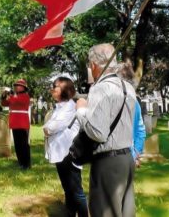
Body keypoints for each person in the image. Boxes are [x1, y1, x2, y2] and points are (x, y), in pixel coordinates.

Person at [76, 44, 137, 217]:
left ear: (94, 65)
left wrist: (81, 110)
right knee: (125, 212)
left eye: (89, 64)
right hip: (127, 158)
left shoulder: (100, 88)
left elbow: (98, 133)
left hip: (107, 161)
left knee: (105, 212)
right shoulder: (128, 88)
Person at [43, 77, 88, 217]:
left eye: (55, 86)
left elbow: (51, 128)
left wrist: (47, 128)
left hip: (69, 154)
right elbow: (48, 126)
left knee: (76, 191)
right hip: (59, 153)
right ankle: (70, 212)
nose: (52, 89)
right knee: (67, 189)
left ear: (65, 90)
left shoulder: (69, 107)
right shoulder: (59, 108)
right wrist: (47, 128)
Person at [1, 79, 31, 170]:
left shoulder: (25, 96)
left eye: (18, 85)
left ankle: (26, 164)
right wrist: (3, 96)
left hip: (22, 123)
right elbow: (4, 103)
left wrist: (10, 92)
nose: (16, 87)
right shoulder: (14, 96)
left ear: (23, 87)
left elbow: (17, 100)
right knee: (17, 144)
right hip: (14, 123)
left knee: (24, 144)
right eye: (16, 85)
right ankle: (21, 162)